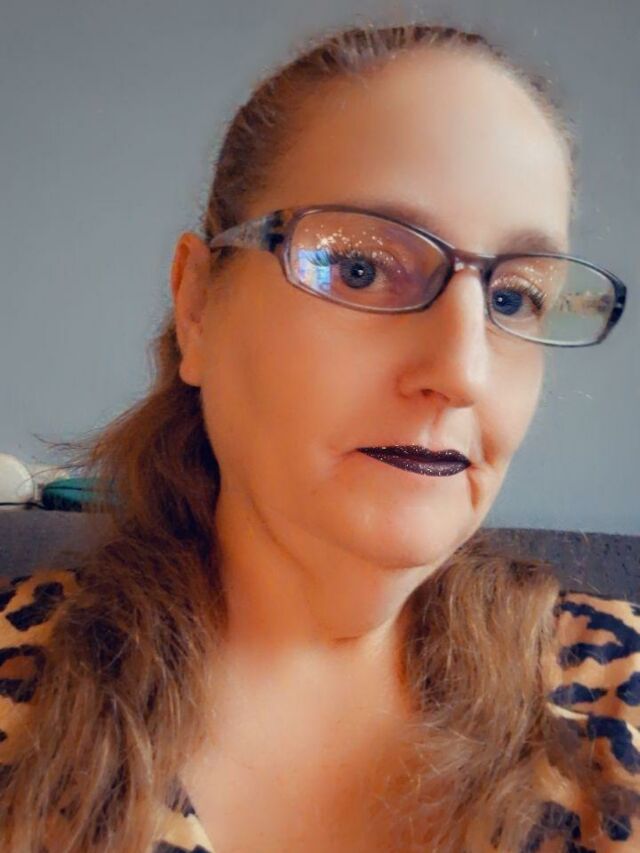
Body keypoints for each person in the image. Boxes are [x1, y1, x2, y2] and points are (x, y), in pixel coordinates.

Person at [0, 20, 635, 853]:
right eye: (360, 267)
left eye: (514, 298)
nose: (463, 370)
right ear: (198, 306)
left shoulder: (615, 698)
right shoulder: (21, 699)